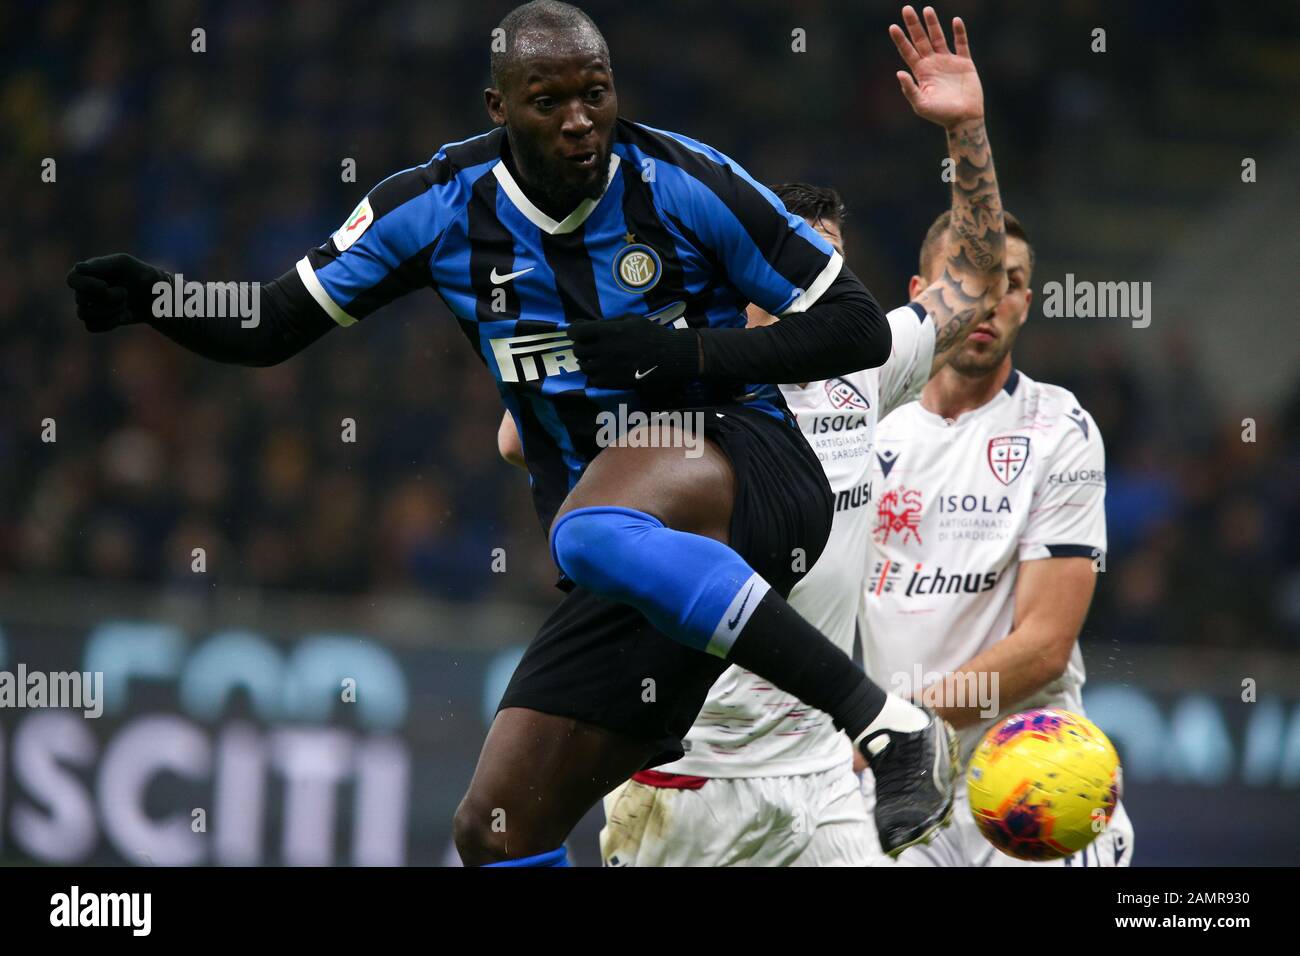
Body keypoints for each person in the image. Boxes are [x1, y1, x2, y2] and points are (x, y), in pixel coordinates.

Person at [66, 0, 957, 866]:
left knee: (590, 526)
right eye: (550, 102)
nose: (580, 121)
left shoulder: (682, 180)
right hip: (631, 567)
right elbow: (271, 324)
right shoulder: (436, 208)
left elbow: (856, 327)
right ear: (500, 109)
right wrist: (157, 296)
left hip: (750, 471)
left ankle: (888, 726)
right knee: (495, 832)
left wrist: (677, 351)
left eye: (596, 94)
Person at [498, 7, 1007, 864]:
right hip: (690, 786)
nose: (816, 287)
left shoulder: (867, 371)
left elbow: (974, 279)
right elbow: (520, 440)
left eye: (831, 270)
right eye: (794, 268)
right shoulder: (689, 402)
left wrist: (966, 130)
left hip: (824, 777)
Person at [859, 211, 1136, 866]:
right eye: (964, 280)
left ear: (1027, 303)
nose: (987, 300)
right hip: (900, 783)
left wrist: (895, 723)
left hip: (1036, 772)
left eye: (1008, 282)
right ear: (918, 294)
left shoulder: (1057, 430)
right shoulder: (864, 429)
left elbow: (1043, 647)